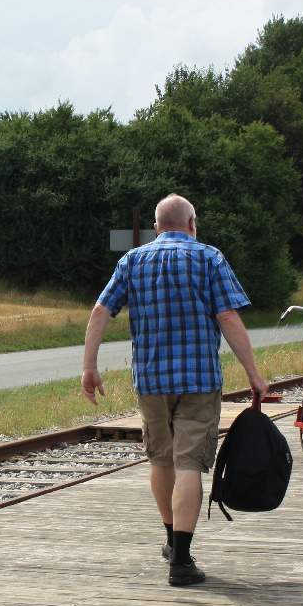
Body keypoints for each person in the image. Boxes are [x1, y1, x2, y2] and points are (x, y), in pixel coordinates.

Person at [81, 194, 268, 586]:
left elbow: (100, 312)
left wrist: (89, 366)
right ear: (192, 223)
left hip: (151, 381)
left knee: (161, 460)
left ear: (156, 227)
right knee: (189, 465)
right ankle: (181, 561)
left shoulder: (132, 261)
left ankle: (170, 538)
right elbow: (228, 316)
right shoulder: (209, 258)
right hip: (199, 381)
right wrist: (253, 372)